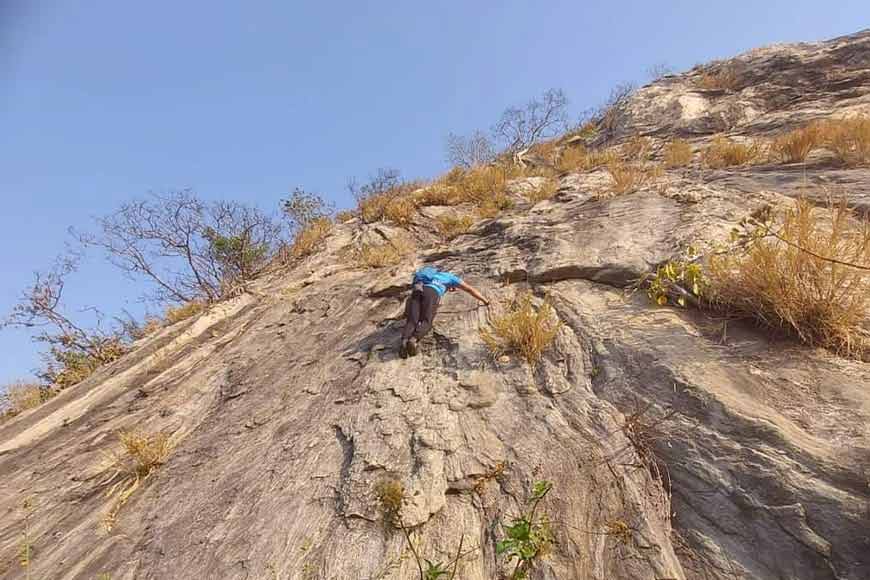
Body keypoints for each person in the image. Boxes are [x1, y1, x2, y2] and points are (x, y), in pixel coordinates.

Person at [400, 266, 489, 358]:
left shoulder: (428, 275)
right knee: (427, 321)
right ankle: (413, 340)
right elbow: (469, 289)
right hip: (432, 292)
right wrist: (485, 301)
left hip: (417, 290)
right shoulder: (450, 277)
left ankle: (403, 342)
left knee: (412, 320)